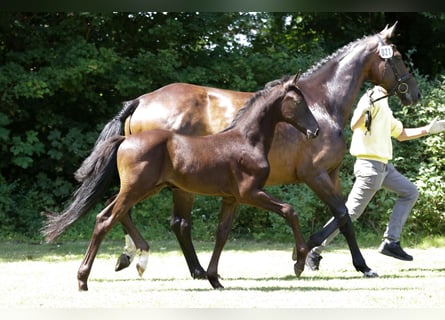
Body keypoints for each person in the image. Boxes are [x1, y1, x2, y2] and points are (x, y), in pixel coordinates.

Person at [306, 85, 445, 273]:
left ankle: (391, 242)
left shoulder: (385, 104)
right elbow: (355, 124)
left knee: (410, 192)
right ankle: (314, 250)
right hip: (370, 167)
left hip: (385, 167)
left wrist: (427, 129)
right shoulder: (371, 98)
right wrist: (366, 108)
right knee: (350, 212)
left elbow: (401, 134)